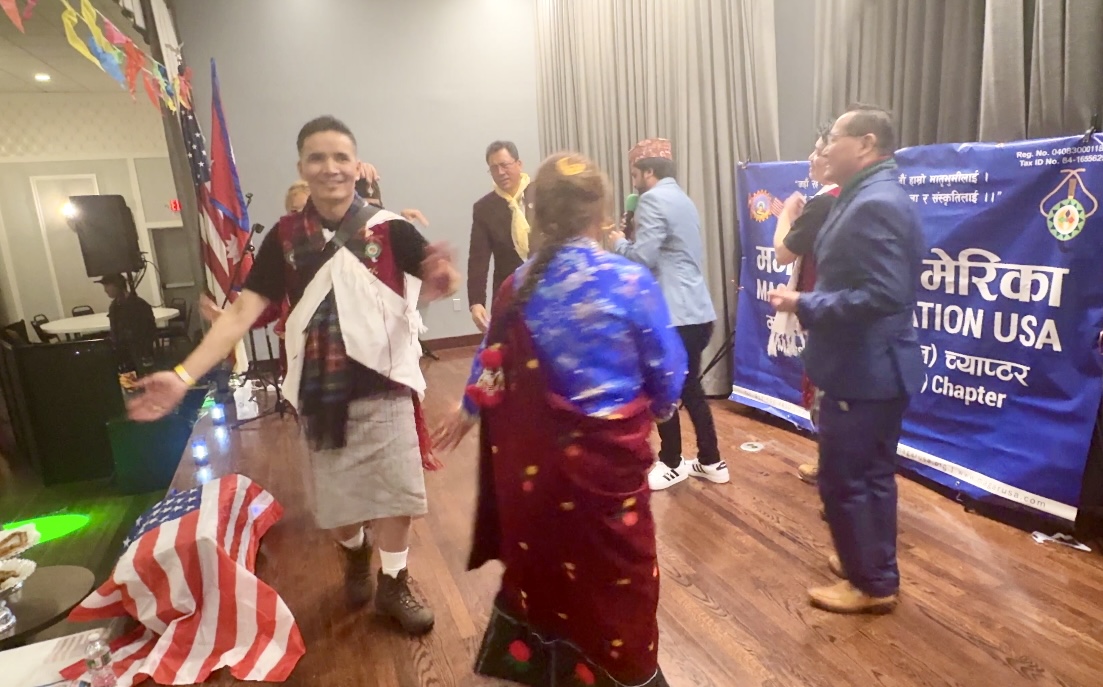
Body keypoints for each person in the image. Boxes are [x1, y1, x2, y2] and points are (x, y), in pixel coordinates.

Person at [128, 115, 460, 635]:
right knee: (339, 508)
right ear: (302, 167)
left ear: (356, 165)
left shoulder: (390, 228)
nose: (331, 168)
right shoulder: (284, 238)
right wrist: (183, 376)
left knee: (398, 494)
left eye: (341, 157)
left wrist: (446, 278)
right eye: (317, 158)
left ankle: (394, 581)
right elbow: (241, 314)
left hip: (388, 382)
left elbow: (441, 280)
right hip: (320, 392)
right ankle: (355, 551)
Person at [433, 152, 686, 687]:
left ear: (538, 216)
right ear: (602, 214)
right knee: (618, 582)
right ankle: (623, 673)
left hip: (539, 482)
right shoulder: (628, 281)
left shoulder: (517, 285)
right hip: (609, 477)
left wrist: (469, 408)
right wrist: (661, 411)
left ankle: (551, 666)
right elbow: (667, 372)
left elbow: (491, 361)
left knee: (550, 570)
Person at [767, 104, 924, 614]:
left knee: (844, 479)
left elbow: (883, 295)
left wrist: (804, 302)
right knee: (871, 476)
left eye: (834, 137)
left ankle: (869, 583)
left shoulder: (874, 202)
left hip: (864, 371)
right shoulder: (868, 194)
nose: (825, 147)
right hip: (871, 368)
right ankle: (872, 568)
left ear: (866, 144)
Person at [608, 138, 727, 490]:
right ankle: (710, 460)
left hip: (673, 314)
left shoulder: (652, 200)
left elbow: (643, 259)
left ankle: (673, 462)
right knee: (690, 388)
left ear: (648, 172)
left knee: (665, 388)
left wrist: (617, 241)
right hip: (697, 311)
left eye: (635, 174)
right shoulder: (683, 199)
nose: (633, 182)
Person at [770, 123, 840, 484]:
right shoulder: (847, 197)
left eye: (819, 151)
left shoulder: (825, 201)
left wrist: (785, 216)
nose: (812, 158)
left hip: (827, 309)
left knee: (827, 391)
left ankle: (835, 473)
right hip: (834, 306)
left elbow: (783, 253)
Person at [468, 141, 531, 333]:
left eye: (505, 165)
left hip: (548, 286)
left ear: (519, 164)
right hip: (509, 291)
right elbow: (478, 258)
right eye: (494, 168)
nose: (500, 172)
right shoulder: (484, 208)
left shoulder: (543, 195)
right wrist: (476, 302)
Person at [98, 274, 158, 372]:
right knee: (128, 378)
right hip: (123, 353)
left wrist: (146, 354)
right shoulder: (114, 306)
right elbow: (115, 330)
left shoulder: (138, 304)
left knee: (144, 376)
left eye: (107, 286)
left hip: (139, 352)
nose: (105, 290)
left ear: (117, 285)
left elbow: (149, 330)